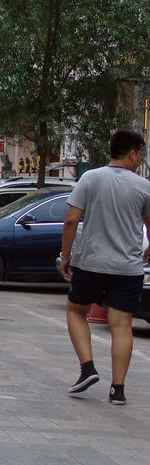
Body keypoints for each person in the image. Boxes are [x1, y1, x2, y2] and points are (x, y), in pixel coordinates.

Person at [60, 130, 150, 405]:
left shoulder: (90, 178)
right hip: (128, 266)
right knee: (122, 325)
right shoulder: (143, 186)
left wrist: (66, 255)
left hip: (92, 262)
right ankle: (118, 389)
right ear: (132, 153)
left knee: (77, 311)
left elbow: (71, 221)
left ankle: (87, 368)